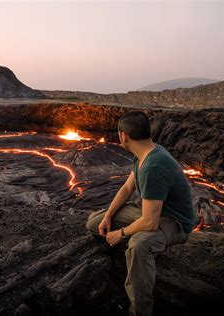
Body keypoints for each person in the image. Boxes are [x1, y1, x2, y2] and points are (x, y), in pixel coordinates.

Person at [85, 110, 195, 316]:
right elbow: (127, 189)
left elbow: (150, 222)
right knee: (95, 222)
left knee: (138, 246)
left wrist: (121, 233)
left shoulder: (153, 165)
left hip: (174, 222)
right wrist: (108, 215)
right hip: (150, 210)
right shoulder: (144, 154)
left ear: (123, 136)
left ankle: (140, 311)